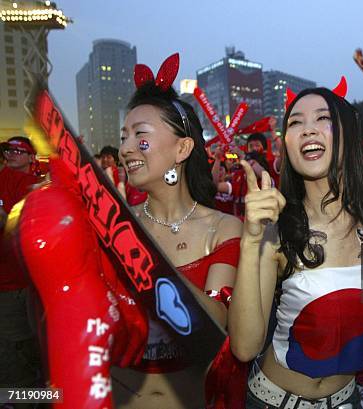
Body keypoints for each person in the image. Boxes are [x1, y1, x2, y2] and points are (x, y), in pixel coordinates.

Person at [229, 85, 363, 408]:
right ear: (287, 144)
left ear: (347, 136)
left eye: (322, 118)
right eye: (295, 122)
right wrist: (251, 240)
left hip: (348, 400)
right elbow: (244, 347)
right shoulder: (278, 229)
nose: (308, 128)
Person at [111, 55, 243, 409]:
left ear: (182, 148)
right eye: (123, 137)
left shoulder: (223, 228)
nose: (124, 150)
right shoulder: (112, 227)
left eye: (140, 136)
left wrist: (145, 254)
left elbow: (214, 325)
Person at [0, 154, 40, 393]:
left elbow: (28, 228)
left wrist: (7, 219)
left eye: (19, 151)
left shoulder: (24, 182)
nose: (14, 155)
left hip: (12, 286)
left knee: (15, 357)